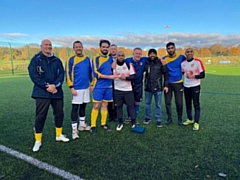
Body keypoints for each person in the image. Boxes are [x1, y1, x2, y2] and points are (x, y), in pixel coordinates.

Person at [28, 39, 69, 152]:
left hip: (56, 92)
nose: (48, 46)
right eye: (46, 45)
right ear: (41, 46)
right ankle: (38, 140)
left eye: (50, 45)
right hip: (42, 93)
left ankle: (59, 135)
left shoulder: (57, 60)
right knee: (41, 116)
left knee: (59, 114)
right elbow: (34, 76)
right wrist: (47, 86)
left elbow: (61, 74)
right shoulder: (36, 59)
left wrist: (55, 86)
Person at [66, 41, 92, 139]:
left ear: (82, 47)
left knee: (83, 106)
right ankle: (74, 130)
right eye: (76, 47)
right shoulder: (71, 59)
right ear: (74, 48)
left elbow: (90, 73)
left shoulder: (87, 59)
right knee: (75, 108)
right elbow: (68, 74)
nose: (78, 48)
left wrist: (92, 84)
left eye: (79, 47)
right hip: (76, 88)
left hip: (85, 88)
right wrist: (71, 87)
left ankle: (82, 125)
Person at [90, 39, 117, 135]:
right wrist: (109, 77)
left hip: (108, 86)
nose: (105, 49)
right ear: (100, 47)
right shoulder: (95, 58)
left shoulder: (110, 59)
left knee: (105, 105)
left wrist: (114, 67)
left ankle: (103, 123)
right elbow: (95, 73)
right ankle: (93, 126)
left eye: (107, 47)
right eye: (103, 47)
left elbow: (114, 68)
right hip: (99, 86)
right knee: (96, 105)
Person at [181, 48, 205, 130]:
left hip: (195, 86)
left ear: (193, 53)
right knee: (188, 103)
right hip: (186, 86)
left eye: (191, 52)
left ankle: (196, 122)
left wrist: (193, 76)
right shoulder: (183, 64)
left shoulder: (198, 62)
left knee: (196, 104)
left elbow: (203, 75)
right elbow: (181, 73)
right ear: (185, 53)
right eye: (188, 52)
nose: (189, 53)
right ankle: (190, 119)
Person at [144, 49, 169, 127]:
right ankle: (148, 117)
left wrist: (166, 85)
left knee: (158, 104)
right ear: (148, 55)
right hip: (148, 88)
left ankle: (158, 119)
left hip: (158, 88)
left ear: (156, 54)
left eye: (154, 54)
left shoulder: (160, 62)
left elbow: (166, 74)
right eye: (150, 54)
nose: (152, 55)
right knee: (147, 104)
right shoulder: (146, 63)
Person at [162, 42, 185, 125]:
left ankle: (180, 118)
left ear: (174, 48)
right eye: (169, 48)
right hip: (168, 84)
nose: (170, 49)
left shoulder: (181, 57)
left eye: (172, 48)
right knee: (167, 102)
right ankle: (169, 118)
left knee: (179, 102)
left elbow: (187, 65)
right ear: (167, 50)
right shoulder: (164, 59)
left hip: (178, 83)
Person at [113, 51, 136, 131]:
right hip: (117, 90)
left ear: (124, 56)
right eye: (119, 55)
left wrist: (125, 78)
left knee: (131, 106)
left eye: (122, 55)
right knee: (119, 107)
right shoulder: (113, 65)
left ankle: (133, 122)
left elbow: (133, 77)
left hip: (128, 90)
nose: (121, 57)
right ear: (116, 56)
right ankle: (120, 123)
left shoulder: (129, 65)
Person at [125, 48, 148, 124]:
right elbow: (119, 62)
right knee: (129, 102)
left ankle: (135, 118)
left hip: (138, 85)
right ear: (133, 54)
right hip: (129, 84)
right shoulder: (127, 60)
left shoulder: (144, 60)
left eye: (139, 54)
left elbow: (153, 58)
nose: (138, 55)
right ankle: (129, 117)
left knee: (137, 102)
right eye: (136, 53)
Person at [107, 44, 118, 122]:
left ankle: (116, 115)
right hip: (109, 81)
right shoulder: (106, 58)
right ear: (109, 50)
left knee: (117, 99)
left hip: (118, 82)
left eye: (114, 49)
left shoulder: (120, 58)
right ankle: (110, 115)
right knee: (109, 99)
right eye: (112, 49)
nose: (113, 50)